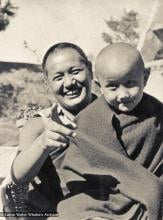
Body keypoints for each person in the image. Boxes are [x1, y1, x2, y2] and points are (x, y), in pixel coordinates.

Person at [57, 43, 163, 220]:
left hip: (153, 193)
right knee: (69, 210)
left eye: (130, 83)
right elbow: (74, 172)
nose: (123, 94)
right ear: (99, 85)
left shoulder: (157, 113)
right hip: (105, 199)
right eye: (113, 87)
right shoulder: (89, 119)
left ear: (145, 76)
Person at [1, 42, 97, 215]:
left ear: (90, 70)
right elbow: (18, 177)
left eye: (75, 72)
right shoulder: (40, 124)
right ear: (47, 83)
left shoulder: (112, 114)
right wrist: (43, 144)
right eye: (58, 77)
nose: (69, 83)